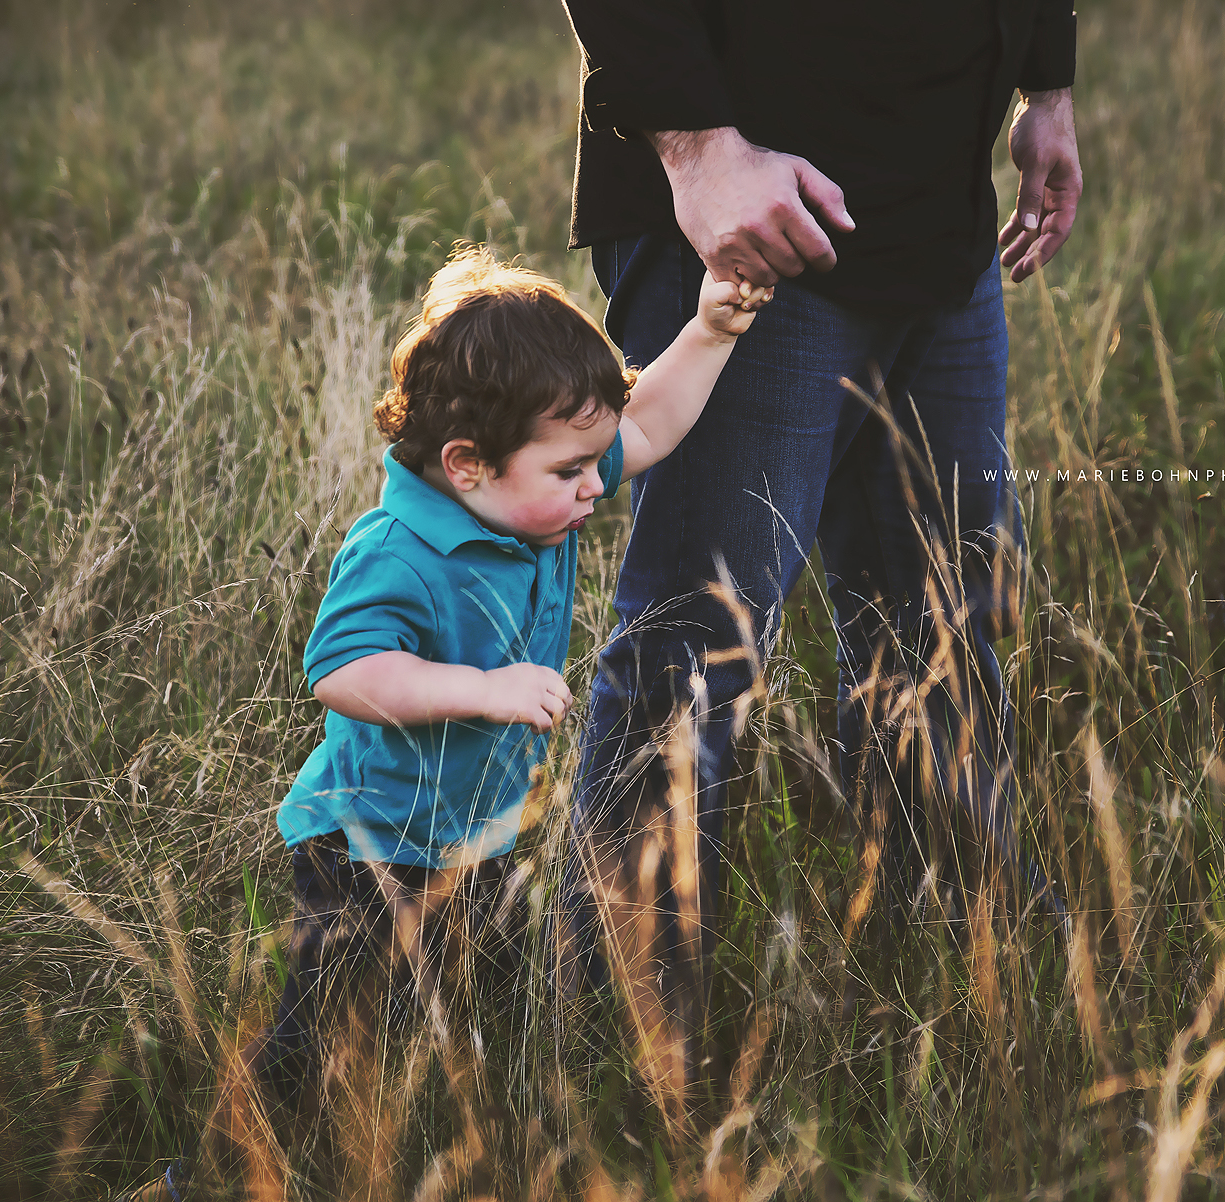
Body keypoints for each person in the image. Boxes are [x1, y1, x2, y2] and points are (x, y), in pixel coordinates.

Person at [557, 0, 1084, 1126]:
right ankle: (611, 1058)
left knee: (946, 616)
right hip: (753, 211)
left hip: (940, 215)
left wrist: (1048, 87)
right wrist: (699, 149)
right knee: (696, 651)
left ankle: (951, 959)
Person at [189, 247, 769, 1194]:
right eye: (574, 469)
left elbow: (653, 422)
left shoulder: (528, 504)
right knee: (324, 1032)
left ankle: (449, 1148)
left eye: (595, 464)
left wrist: (709, 328)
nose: (597, 488)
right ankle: (208, 1178)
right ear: (467, 464)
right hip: (371, 845)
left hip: (482, 836)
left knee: (473, 1012)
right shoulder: (401, 549)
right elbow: (342, 669)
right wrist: (484, 688)